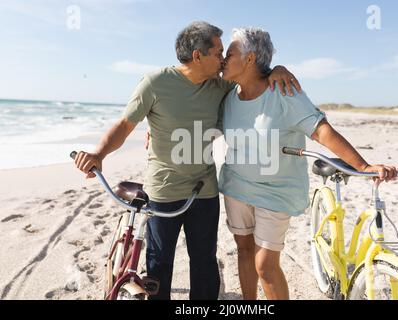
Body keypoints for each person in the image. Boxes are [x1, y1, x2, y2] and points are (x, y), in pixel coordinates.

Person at [74, 21, 301, 300]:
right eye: (218, 52)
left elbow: (252, 78)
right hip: (163, 191)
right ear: (198, 56)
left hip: (203, 192)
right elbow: (124, 124)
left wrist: (278, 69)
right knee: (159, 266)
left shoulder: (221, 86)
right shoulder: (155, 83)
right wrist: (99, 154)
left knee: (204, 263)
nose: (223, 59)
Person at [218, 27, 398, 300]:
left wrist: (362, 166)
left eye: (229, 54)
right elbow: (197, 114)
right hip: (236, 188)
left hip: (275, 192)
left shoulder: (284, 92)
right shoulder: (229, 96)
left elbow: (321, 131)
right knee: (244, 250)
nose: (223, 59)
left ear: (250, 59)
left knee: (265, 265)